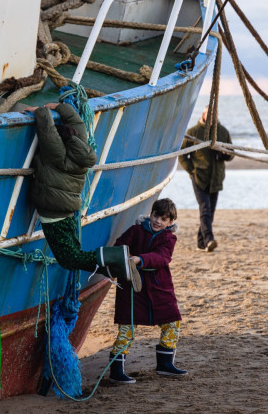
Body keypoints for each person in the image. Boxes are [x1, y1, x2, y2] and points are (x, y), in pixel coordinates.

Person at [28, 102, 141, 292]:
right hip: (67, 209)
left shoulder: (56, 154)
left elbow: (47, 131)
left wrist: (40, 109)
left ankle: (117, 258)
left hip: (54, 211)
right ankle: (114, 267)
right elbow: (77, 122)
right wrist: (61, 107)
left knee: (68, 258)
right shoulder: (81, 145)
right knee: (73, 255)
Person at [108, 198, 186, 383]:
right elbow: (119, 246)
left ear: (170, 222)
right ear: (150, 214)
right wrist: (125, 258)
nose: (158, 221)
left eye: (164, 219)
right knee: (127, 327)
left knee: (172, 322)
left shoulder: (169, 238)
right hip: (132, 287)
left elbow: (162, 257)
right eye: (156, 215)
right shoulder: (135, 230)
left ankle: (165, 364)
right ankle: (116, 370)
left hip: (159, 288)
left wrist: (139, 259)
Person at [178, 105, 233, 252]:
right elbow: (182, 154)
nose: (211, 118)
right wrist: (192, 170)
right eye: (208, 115)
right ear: (203, 114)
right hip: (199, 177)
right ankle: (209, 239)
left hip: (216, 178)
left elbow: (231, 153)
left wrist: (224, 155)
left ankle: (201, 243)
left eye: (213, 116)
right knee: (205, 210)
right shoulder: (193, 132)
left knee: (210, 212)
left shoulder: (222, 132)